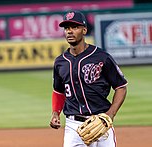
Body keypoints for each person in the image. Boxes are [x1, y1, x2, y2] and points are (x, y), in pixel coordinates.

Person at [49, 10, 128, 147]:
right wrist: (55, 113)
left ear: (84, 30)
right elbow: (58, 91)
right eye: (67, 28)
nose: (69, 31)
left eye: (75, 27)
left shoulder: (102, 57)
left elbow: (121, 87)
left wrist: (110, 114)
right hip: (74, 127)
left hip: (101, 122)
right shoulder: (60, 62)